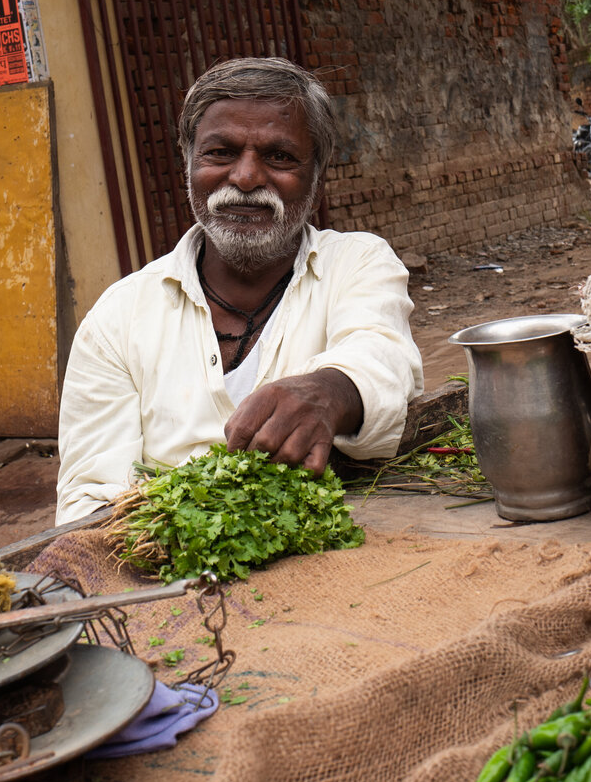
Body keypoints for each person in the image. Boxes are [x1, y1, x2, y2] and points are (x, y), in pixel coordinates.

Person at [55, 58, 424, 525]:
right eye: (221, 153)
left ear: (318, 175)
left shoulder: (356, 263)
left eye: (280, 157)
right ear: (188, 164)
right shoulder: (119, 316)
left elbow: (383, 359)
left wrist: (331, 392)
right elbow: (87, 499)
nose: (246, 178)